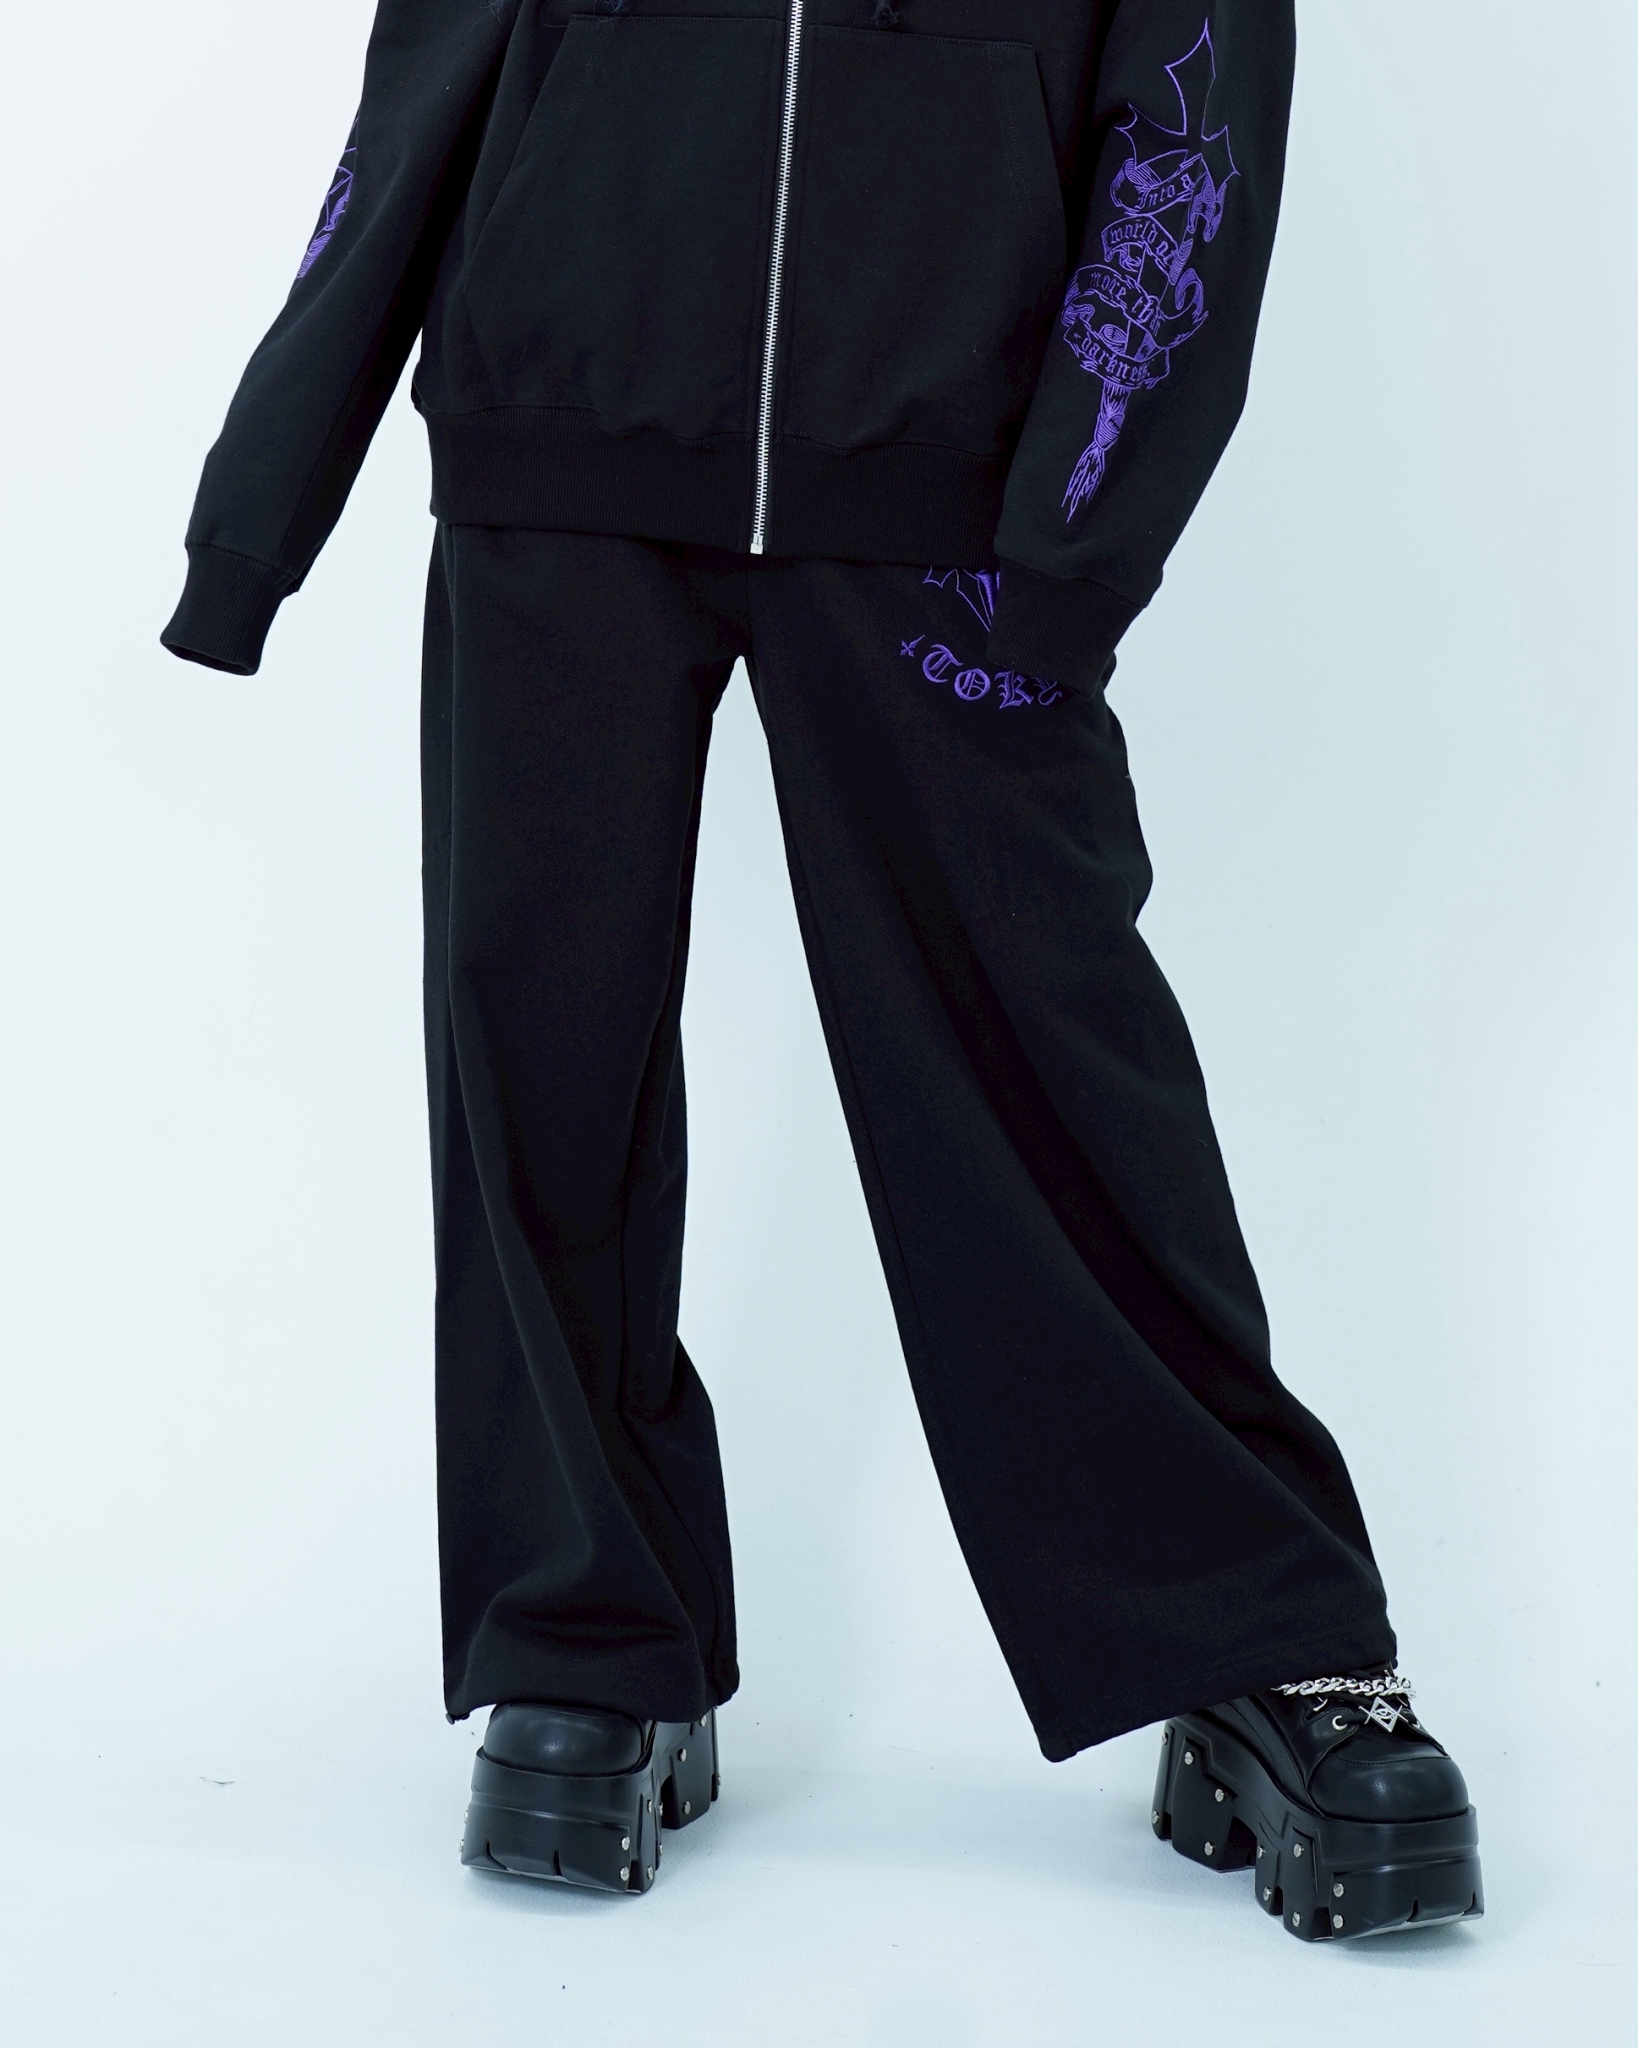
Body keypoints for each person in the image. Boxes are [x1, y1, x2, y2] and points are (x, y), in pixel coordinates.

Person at [162, 0, 1481, 1940]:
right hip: (562, 416)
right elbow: (435, 49)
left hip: (946, 479)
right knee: (540, 1058)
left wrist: (1076, 537)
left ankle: (1257, 1635)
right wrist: (266, 492)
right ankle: (589, 1636)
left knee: (1048, 1058)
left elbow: (1196, 88)